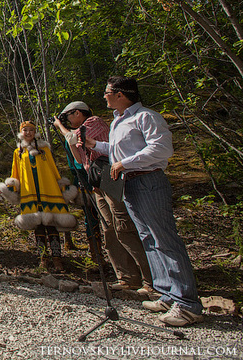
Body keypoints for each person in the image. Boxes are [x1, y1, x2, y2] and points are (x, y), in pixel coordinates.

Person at [86, 76, 203, 327]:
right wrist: (96, 145)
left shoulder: (146, 117)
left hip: (149, 181)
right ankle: (165, 293)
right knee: (148, 238)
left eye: (107, 92)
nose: (103, 96)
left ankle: (187, 304)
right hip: (129, 183)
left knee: (165, 239)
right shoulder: (119, 120)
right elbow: (120, 151)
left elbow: (161, 149)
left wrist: (123, 164)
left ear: (120, 94)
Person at [53, 101, 152, 293]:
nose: (66, 120)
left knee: (124, 226)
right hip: (96, 181)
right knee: (109, 229)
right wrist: (68, 138)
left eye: (68, 115)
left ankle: (150, 279)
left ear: (79, 113)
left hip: (110, 175)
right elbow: (79, 159)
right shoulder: (78, 132)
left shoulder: (94, 122)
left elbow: (74, 137)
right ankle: (126, 277)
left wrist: (60, 127)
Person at [0, 121, 77, 272]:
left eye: (31, 130)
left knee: (51, 225)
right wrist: (10, 188)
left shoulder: (44, 149)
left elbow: (53, 169)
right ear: (21, 132)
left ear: (35, 132)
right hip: (30, 192)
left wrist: (62, 185)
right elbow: (16, 174)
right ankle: (43, 258)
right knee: (38, 227)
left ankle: (57, 258)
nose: (28, 133)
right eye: (25, 130)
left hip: (48, 190)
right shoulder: (18, 152)